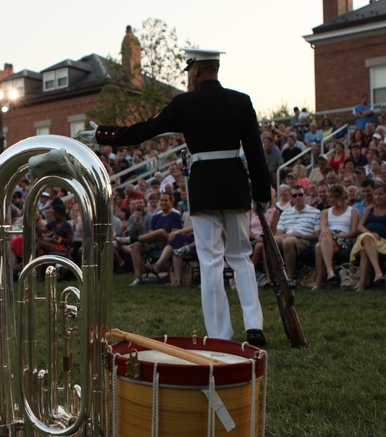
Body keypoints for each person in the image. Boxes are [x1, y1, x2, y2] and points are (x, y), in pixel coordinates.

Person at [81, 48, 271, 346]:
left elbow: (145, 129)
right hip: (234, 185)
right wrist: (261, 194)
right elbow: (256, 155)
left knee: (210, 261)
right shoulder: (241, 101)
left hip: (205, 187)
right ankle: (253, 326)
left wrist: (104, 134)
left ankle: (221, 334)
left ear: (195, 71)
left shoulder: (185, 103)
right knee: (241, 256)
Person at [313, 184, 359, 290]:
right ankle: (329, 271)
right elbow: (323, 226)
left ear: (339, 197)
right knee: (325, 235)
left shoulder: (352, 211)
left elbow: (353, 232)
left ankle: (320, 282)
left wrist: (337, 235)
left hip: (344, 238)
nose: (328, 199)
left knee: (318, 247)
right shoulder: (325, 211)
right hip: (328, 237)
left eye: (331, 197)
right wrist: (329, 233)